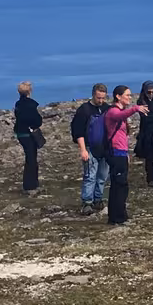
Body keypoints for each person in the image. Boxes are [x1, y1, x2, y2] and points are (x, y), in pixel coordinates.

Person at [102, 85, 141, 225]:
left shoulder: (119, 112)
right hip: (115, 153)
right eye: (127, 95)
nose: (130, 98)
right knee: (118, 185)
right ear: (118, 96)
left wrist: (127, 154)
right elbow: (120, 116)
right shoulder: (113, 111)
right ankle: (116, 217)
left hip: (121, 153)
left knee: (122, 185)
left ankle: (120, 215)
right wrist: (136, 109)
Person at [70, 84, 110, 214]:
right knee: (90, 176)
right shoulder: (84, 110)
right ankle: (87, 202)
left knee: (102, 176)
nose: (101, 101)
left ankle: (98, 199)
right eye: (98, 98)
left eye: (103, 98)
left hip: (105, 148)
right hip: (89, 147)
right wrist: (83, 150)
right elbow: (78, 131)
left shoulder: (107, 109)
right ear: (93, 95)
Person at [12, 80, 43, 192]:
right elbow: (37, 120)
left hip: (20, 133)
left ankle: (30, 183)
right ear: (29, 91)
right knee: (31, 158)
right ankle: (31, 185)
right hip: (29, 134)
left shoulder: (18, 104)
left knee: (30, 157)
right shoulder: (31, 104)